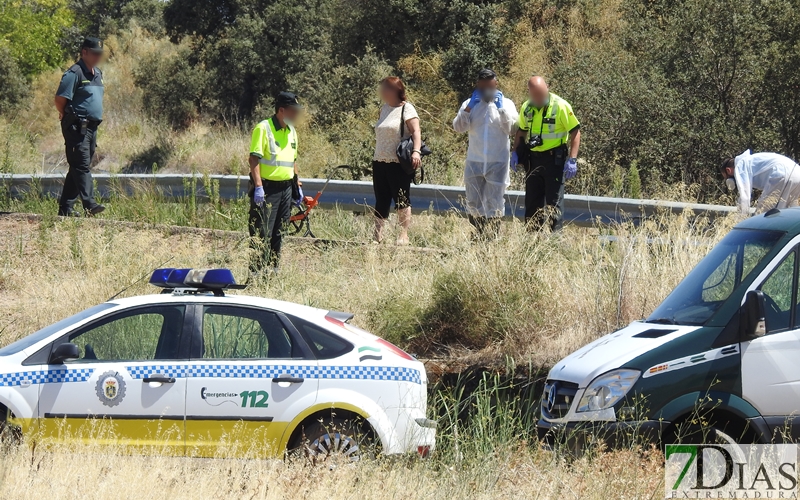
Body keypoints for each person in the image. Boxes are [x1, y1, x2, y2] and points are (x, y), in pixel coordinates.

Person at [452, 68, 519, 240]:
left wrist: (501, 109)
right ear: (477, 86)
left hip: (498, 162)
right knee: (473, 201)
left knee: (494, 202)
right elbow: (458, 128)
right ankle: (478, 235)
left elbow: (512, 130)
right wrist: (468, 108)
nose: (485, 92)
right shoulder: (470, 103)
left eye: (489, 87)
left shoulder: (508, 104)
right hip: (475, 160)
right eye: (482, 88)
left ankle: (493, 238)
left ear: (496, 85)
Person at [513, 76, 581, 231]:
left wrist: (573, 159)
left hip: (553, 160)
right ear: (529, 93)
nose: (539, 98)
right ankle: (532, 241)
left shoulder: (560, 106)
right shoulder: (527, 107)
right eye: (535, 95)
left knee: (554, 203)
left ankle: (554, 242)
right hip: (534, 161)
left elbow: (575, 131)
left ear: (547, 87)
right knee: (532, 202)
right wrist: (515, 152)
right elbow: (521, 131)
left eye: (542, 94)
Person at [248, 91, 303, 274]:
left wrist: (297, 185)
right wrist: (258, 187)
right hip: (267, 188)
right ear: (282, 110)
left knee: (280, 232)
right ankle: (256, 273)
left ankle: (273, 271)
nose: (296, 115)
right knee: (262, 232)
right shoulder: (263, 128)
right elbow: (253, 159)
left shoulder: (292, 131)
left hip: (286, 188)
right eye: (293, 111)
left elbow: (293, 160)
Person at [54, 37, 106, 217]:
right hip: (77, 127)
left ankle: (65, 210)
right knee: (82, 165)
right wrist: (65, 115)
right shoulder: (74, 73)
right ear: (84, 52)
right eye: (94, 53)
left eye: (100, 53)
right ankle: (89, 204)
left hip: (92, 128)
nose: (98, 57)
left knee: (77, 167)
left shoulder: (97, 73)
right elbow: (60, 99)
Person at [372, 76, 422, 245]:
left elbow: (416, 131)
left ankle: (403, 234)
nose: (382, 92)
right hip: (379, 160)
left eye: (385, 88)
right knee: (381, 198)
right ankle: (378, 235)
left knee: (401, 199)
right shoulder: (384, 109)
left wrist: (416, 152)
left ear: (394, 90)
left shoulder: (407, 109)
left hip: (398, 162)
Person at [721, 150, 800, 215]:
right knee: (789, 212)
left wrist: (740, 219)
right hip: (796, 172)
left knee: (765, 214)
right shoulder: (748, 161)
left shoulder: (740, 167)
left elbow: (745, 197)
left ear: (728, 170)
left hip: (782, 175)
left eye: (726, 177)